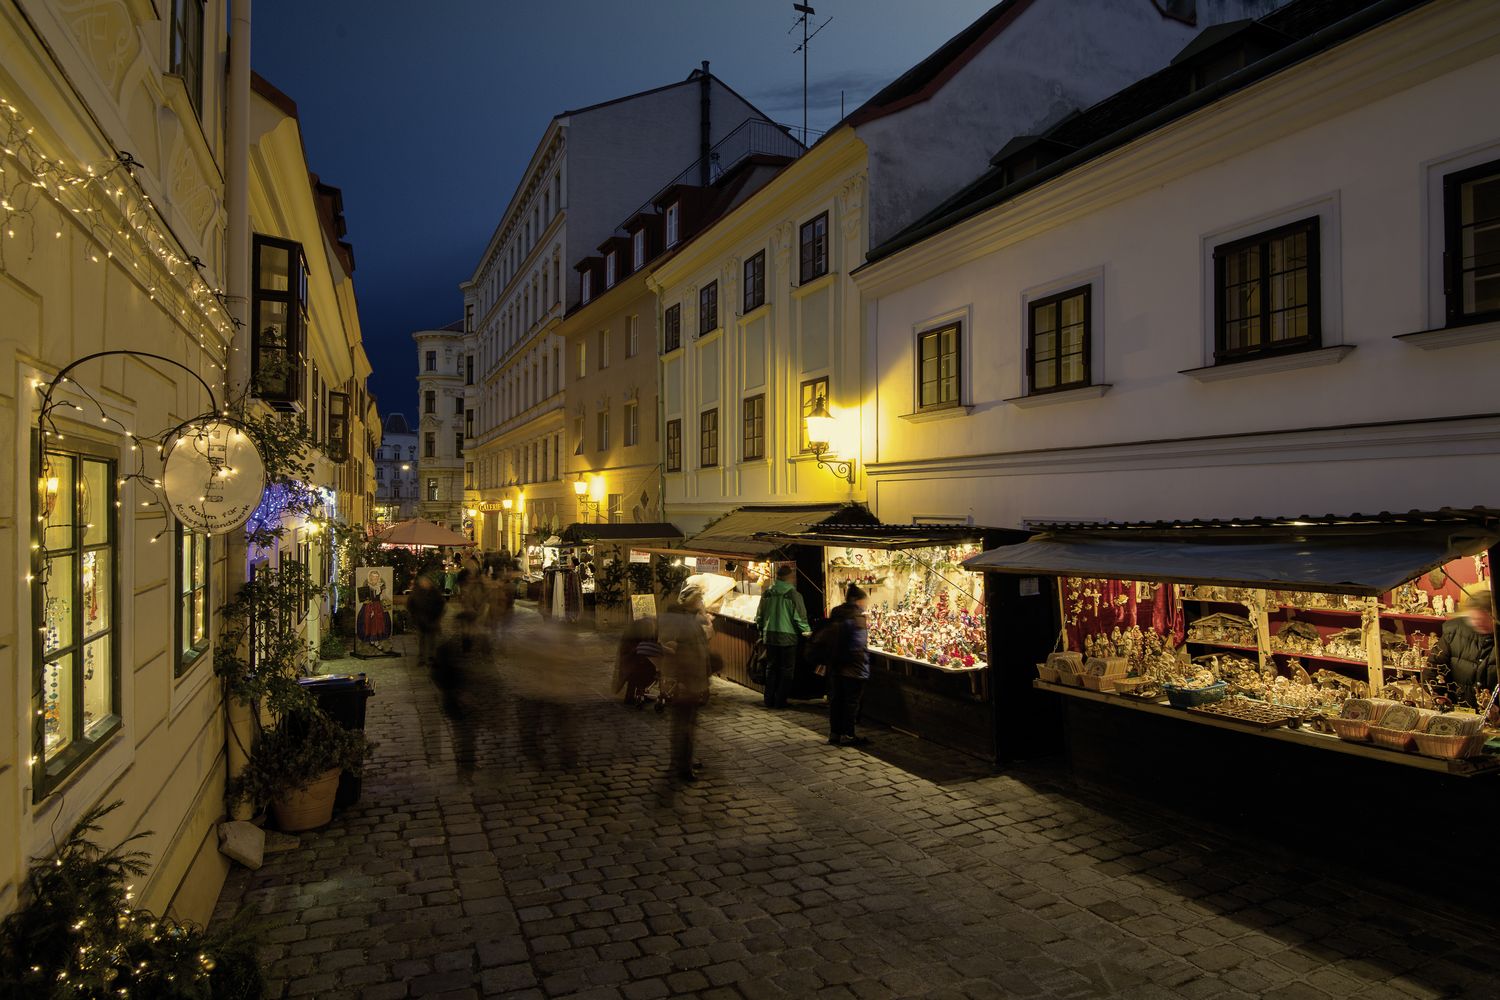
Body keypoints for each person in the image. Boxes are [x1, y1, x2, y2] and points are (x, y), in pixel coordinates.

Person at [658, 584, 713, 782]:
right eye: (699, 600)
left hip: (693, 678)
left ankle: (683, 761)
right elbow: (668, 648)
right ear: (690, 601)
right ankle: (683, 767)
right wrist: (675, 679)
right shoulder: (678, 621)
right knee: (684, 726)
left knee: (687, 724)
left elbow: (702, 646)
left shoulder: (692, 620)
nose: (701, 603)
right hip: (683, 681)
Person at [753, 564, 810, 708]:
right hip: (788, 636)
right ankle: (780, 701)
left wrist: (761, 630)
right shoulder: (793, 594)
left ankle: (768, 699)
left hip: (770, 635)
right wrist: (807, 632)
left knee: (771, 668)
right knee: (786, 670)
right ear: (789, 577)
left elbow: (760, 615)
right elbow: (800, 618)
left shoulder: (767, 593)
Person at [1431, 584, 1497, 707]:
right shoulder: (1454, 632)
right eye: (1475, 619)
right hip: (1459, 706)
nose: (1478, 623)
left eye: (1484, 620)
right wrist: (1439, 697)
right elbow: (1434, 666)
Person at [826, 584, 871, 747]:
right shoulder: (857, 618)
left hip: (835, 664)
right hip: (853, 667)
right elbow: (859, 645)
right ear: (858, 601)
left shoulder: (836, 613)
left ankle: (834, 734)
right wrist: (863, 665)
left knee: (836, 700)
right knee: (851, 702)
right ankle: (848, 734)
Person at [407, 573, 446, 668]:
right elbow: (410, 604)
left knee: (431, 639)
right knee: (422, 640)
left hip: (431, 619)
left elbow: (441, 604)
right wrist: (415, 616)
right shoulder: (417, 592)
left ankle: (431, 657)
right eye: (423, 582)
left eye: (427, 582)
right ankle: (422, 658)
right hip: (421, 620)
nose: (425, 584)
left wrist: (437, 616)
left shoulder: (434, 592)